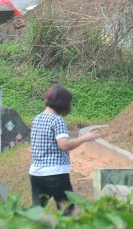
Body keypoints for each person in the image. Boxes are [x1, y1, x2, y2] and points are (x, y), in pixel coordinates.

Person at [29, 84, 98, 214]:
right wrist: (84, 138)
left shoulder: (36, 119)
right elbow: (64, 145)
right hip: (55, 174)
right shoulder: (57, 120)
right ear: (63, 103)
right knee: (67, 210)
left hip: (36, 174)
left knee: (35, 213)